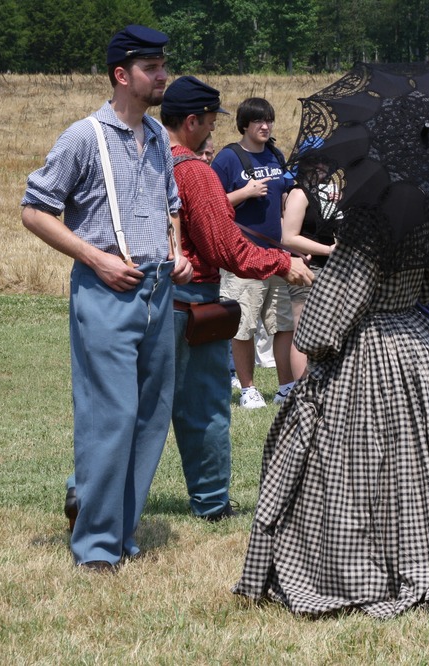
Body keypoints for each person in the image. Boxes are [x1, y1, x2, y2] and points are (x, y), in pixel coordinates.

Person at [233, 238, 429, 618]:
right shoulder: (424, 221)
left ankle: (363, 569)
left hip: (367, 351)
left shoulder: (364, 228)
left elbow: (317, 332)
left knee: (359, 466)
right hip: (419, 343)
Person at [20, 25, 193, 572]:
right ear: (122, 75)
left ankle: (119, 531)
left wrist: (179, 250)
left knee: (149, 419)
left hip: (160, 291)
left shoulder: (160, 139)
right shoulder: (82, 137)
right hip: (106, 292)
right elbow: (34, 211)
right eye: (151, 67)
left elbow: (171, 203)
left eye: (164, 65)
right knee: (110, 417)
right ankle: (95, 549)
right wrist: (96, 259)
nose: (163, 75)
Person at [159, 76, 313, 522]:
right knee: (204, 404)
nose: (212, 130)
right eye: (209, 120)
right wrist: (283, 263)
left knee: (136, 403)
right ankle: (211, 502)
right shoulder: (193, 171)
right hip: (189, 298)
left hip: (136, 293)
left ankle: (92, 493)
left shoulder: (141, 158)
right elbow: (229, 249)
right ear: (192, 121)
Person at [211, 97, 295, 408]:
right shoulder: (228, 159)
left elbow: (285, 199)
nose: (265, 126)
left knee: (282, 324)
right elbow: (212, 205)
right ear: (244, 124)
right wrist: (244, 193)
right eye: (259, 121)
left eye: (269, 120)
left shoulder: (275, 155)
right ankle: (248, 389)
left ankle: (286, 387)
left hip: (277, 255)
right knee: (243, 325)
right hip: (242, 258)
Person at [280, 141, 337, 380]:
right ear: (304, 164)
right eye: (315, 160)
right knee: (303, 330)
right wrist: (328, 249)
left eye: (325, 160)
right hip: (306, 268)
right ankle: (300, 388)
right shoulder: (299, 193)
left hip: (331, 270)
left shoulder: (330, 190)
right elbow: (289, 238)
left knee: (327, 329)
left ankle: (323, 382)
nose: (321, 166)